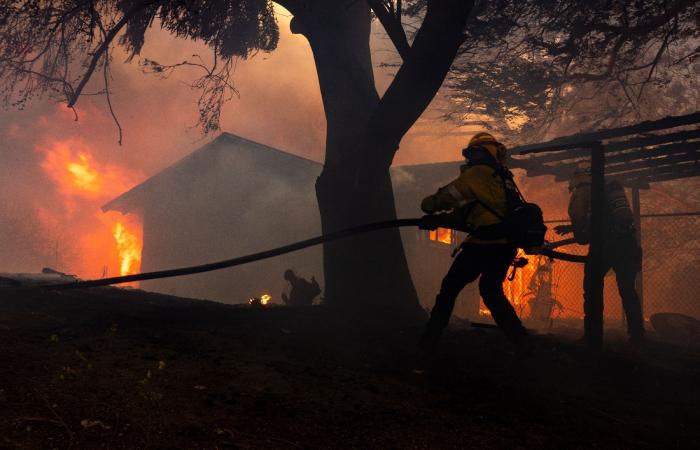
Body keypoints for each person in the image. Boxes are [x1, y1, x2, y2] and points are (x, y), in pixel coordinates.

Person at [420, 132, 528, 352]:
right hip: (505, 245)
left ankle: (428, 341)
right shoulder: (503, 177)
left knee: (449, 288)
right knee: (491, 292)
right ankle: (523, 343)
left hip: (482, 245)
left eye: (474, 152)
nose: (470, 158)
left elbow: (447, 197)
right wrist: (439, 221)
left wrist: (430, 207)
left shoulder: (477, 174)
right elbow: (471, 211)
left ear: (482, 152)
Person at [555, 162, 644, 345]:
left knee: (592, 287)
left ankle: (592, 336)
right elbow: (607, 220)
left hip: (606, 248)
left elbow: (585, 235)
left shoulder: (585, 192)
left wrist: (577, 229)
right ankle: (637, 336)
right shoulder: (609, 188)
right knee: (628, 291)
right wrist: (572, 228)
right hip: (628, 246)